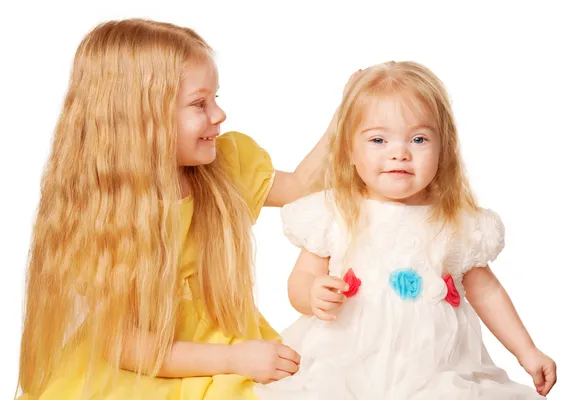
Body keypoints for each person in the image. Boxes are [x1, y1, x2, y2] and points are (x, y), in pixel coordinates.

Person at [16, 18, 346, 400]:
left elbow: (303, 185)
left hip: (233, 353)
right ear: (142, 119)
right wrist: (233, 359)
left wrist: (346, 120)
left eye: (216, 99)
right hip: (148, 371)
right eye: (199, 104)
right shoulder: (103, 216)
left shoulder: (226, 168)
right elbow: (125, 344)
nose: (219, 114)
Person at [254, 61, 557, 399]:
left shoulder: (455, 221)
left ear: (444, 150)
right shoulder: (335, 211)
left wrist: (527, 351)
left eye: (418, 139)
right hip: (344, 363)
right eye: (378, 139)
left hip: (437, 369)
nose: (399, 153)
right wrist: (311, 294)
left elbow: (486, 292)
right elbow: (301, 279)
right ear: (350, 151)